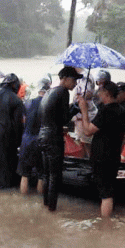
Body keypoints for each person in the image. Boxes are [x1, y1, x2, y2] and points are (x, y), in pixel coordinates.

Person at [78, 82, 125, 218]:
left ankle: (105, 227)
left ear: (107, 94)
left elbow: (87, 131)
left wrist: (84, 110)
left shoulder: (107, 111)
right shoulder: (121, 110)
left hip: (102, 157)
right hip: (114, 155)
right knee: (109, 189)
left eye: (100, 91)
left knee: (106, 193)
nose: (97, 93)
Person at [38, 66, 83, 211]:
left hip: (42, 135)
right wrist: (76, 108)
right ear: (66, 79)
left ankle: (46, 205)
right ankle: (52, 210)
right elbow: (64, 119)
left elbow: (52, 115)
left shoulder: (50, 91)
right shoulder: (63, 92)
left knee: (46, 174)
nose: (75, 84)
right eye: (74, 80)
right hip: (53, 138)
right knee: (55, 176)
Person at [17, 79, 51, 195]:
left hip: (27, 140)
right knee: (41, 175)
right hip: (41, 141)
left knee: (25, 174)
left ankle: (23, 200)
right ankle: (39, 202)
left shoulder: (28, 103)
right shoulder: (49, 104)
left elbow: (24, 121)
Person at [72, 68, 98, 158]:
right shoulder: (80, 77)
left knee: (87, 144)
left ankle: (90, 166)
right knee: (82, 143)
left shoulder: (85, 77)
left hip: (86, 114)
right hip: (81, 115)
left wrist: (80, 97)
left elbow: (87, 95)